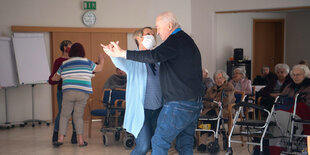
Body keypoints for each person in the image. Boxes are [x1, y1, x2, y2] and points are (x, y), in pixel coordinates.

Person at [101, 11, 204, 155]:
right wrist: (116, 53)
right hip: (190, 103)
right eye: (150, 32)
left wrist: (122, 52)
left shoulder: (174, 42)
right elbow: (127, 60)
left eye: (158, 28)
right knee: (184, 144)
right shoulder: (185, 41)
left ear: (169, 26)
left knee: (159, 142)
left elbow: (153, 56)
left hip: (178, 104)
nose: (157, 33)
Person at [109, 27, 162, 155]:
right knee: (143, 146)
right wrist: (113, 53)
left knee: (157, 146)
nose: (152, 36)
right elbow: (119, 62)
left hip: (158, 109)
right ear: (138, 38)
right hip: (142, 110)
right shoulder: (133, 58)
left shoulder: (157, 59)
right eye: (148, 34)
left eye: (153, 34)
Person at [52, 43, 104, 147]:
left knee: (64, 115)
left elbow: (55, 78)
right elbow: (99, 69)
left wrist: (55, 77)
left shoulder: (65, 63)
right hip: (83, 92)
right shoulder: (88, 62)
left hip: (68, 91)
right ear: (82, 52)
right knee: (78, 116)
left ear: (71, 52)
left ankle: (60, 139)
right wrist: (101, 60)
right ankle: (80, 141)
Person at [197, 70, 235, 152]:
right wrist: (214, 103)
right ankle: (205, 142)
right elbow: (205, 101)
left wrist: (212, 102)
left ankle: (206, 142)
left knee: (211, 116)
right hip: (211, 110)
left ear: (224, 78)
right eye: (216, 78)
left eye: (220, 78)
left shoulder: (229, 87)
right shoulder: (210, 89)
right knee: (207, 117)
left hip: (224, 110)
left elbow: (226, 101)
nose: (219, 80)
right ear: (214, 80)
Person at [48, 40, 77, 144]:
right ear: (65, 48)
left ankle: (75, 135)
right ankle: (56, 134)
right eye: (70, 46)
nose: (72, 48)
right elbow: (53, 78)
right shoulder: (58, 61)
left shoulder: (75, 60)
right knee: (62, 113)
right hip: (63, 91)